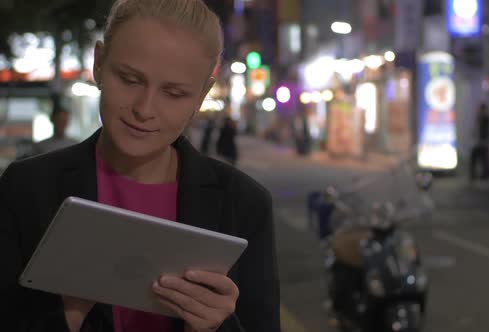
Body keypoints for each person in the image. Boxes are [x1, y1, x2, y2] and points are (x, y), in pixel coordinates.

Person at [0, 0, 280, 331]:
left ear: (202, 93)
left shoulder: (243, 203)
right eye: (130, 79)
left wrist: (216, 326)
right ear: (99, 63)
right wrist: (68, 314)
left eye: (173, 93)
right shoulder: (28, 187)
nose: (144, 109)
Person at [470, 102, 489, 181]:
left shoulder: (486, 119)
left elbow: (486, 131)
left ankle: (484, 175)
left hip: (483, 142)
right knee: (479, 159)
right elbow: (476, 130)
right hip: (478, 142)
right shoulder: (479, 118)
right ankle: (475, 175)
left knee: (484, 159)